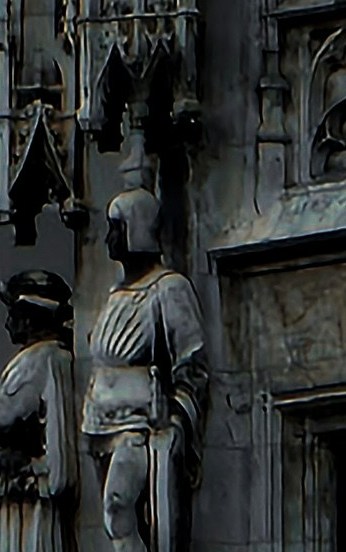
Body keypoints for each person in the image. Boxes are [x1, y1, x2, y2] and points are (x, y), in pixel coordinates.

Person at [82, 189, 209, 552]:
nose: (108, 238)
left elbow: (192, 362)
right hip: (99, 423)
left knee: (118, 507)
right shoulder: (114, 293)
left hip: (139, 423)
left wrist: (177, 413)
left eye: (115, 229)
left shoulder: (168, 289)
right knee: (114, 519)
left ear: (136, 230)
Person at [0, 263, 78, 552]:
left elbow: (2, 415)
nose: (7, 324)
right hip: (21, 489)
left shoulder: (41, 359)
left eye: (12, 316)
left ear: (29, 319)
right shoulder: (43, 358)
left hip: (30, 493)